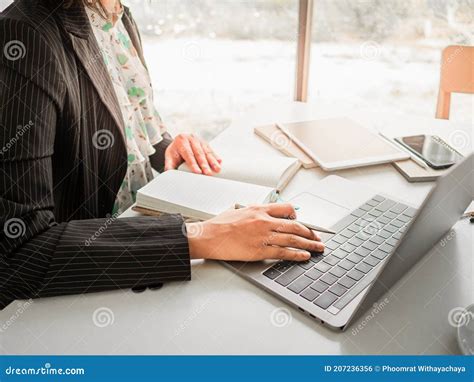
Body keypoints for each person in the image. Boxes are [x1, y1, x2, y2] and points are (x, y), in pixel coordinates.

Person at [0, 0, 323, 310]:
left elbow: (115, 126)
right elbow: (19, 252)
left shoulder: (117, 15)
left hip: (137, 232)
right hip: (76, 289)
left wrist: (164, 145)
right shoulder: (22, 35)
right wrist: (203, 235)